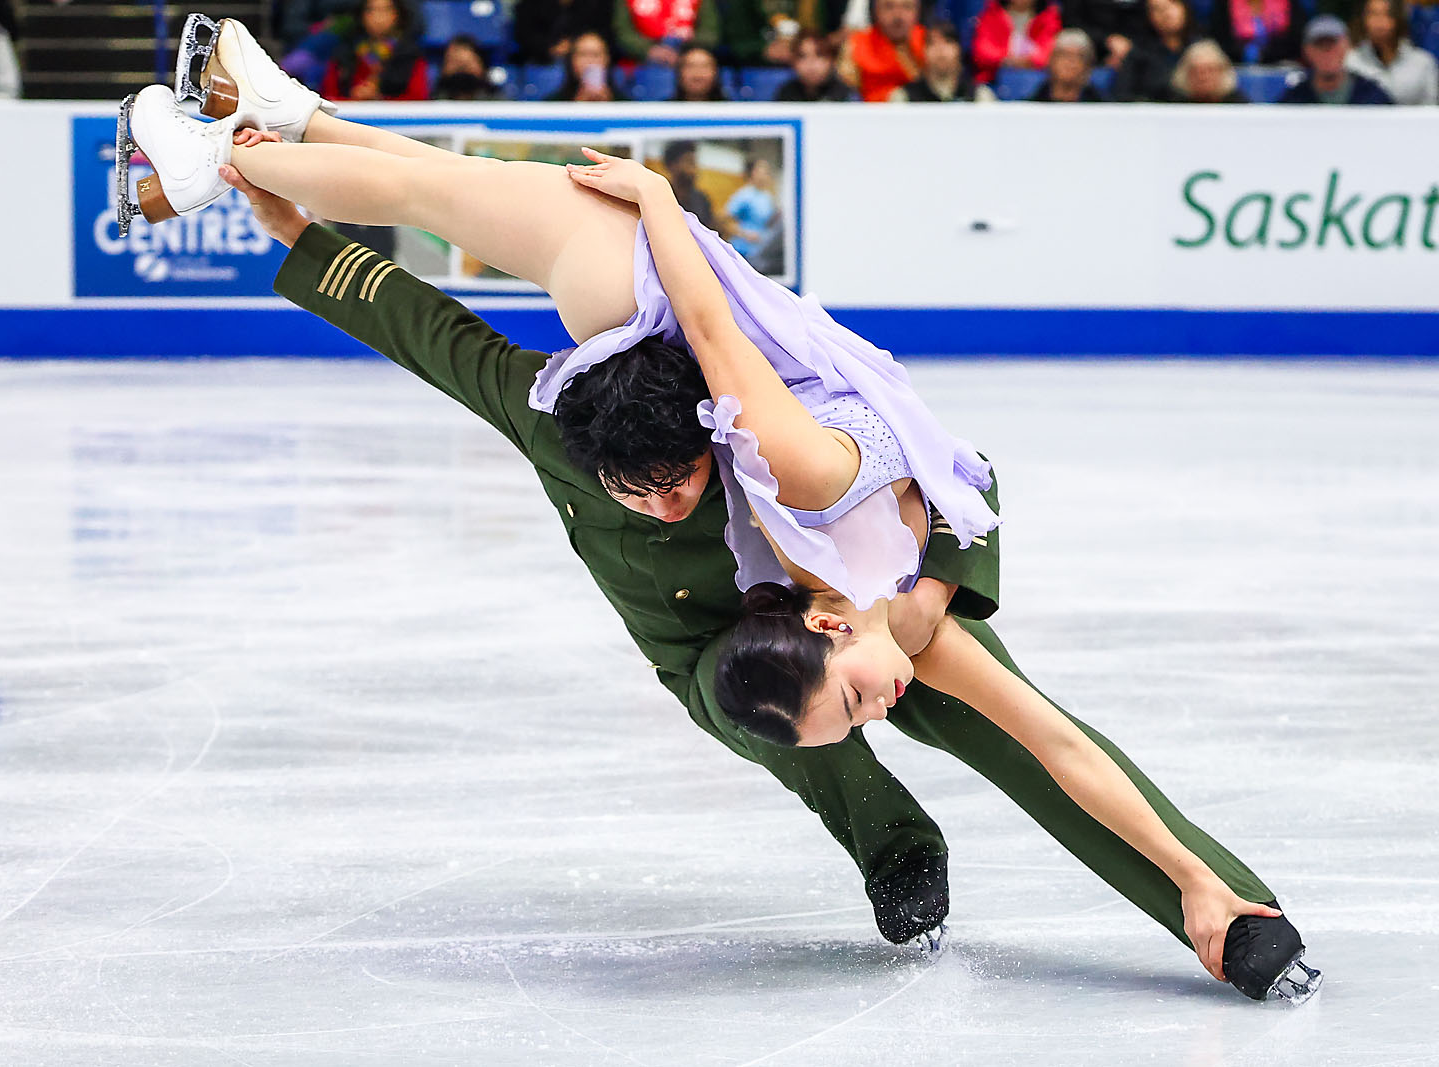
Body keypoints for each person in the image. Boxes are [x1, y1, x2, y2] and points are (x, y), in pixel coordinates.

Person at [116, 18, 1325, 1003]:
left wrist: (931, 592)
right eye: (629, 487)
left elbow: (949, 470)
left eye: (673, 475)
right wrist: (294, 235)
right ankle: (890, 839)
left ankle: (1220, 906)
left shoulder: (765, 457)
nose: (658, 497)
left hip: (868, 589)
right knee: (760, 712)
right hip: (710, 637)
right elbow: (430, 329)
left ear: (704, 434)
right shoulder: (559, 424)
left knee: (1006, 725)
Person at [320, 0, 427, 101]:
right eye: (371, 10)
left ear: (398, 14)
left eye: (386, 10)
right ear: (361, 14)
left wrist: (378, 98)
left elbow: (418, 99)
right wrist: (355, 99)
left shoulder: (410, 54)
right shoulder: (345, 52)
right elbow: (329, 96)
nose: (378, 17)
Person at [1279, 13, 1394, 103]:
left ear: (1347, 46)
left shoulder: (1371, 94)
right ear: (1307, 51)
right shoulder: (1295, 98)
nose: (1327, 53)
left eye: (1332, 45)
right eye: (1320, 45)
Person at [1347, 0, 1438, 104]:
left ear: (1398, 19)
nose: (1379, 22)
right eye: (1374, 14)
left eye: (1387, 14)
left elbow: (1431, 110)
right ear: (1364, 19)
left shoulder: (1423, 63)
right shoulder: (1351, 62)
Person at [840, 0, 926, 101]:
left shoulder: (929, 41)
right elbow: (845, 92)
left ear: (918, 11)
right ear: (875, 11)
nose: (898, 15)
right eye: (889, 7)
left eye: (907, 7)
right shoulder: (856, 44)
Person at [1114, 0, 1196, 100]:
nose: (1166, 13)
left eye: (1172, 4)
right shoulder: (1139, 54)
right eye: (1157, 9)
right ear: (1149, 16)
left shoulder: (1202, 47)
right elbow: (1123, 94)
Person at [905, 18, 998, 100]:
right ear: (924, 50)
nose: (940, 49)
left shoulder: (980, 96)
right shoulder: (905, 97)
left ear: (958, 49)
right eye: (932, 43)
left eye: (948, 42)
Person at [971, 0, 1061, 84]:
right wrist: (1006, 60)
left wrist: (1030, 61)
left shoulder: (1048, 18)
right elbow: (982, 51)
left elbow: (1050, 51)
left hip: (1040, 80)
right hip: (993, 79)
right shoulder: (991, 15)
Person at [613, 0, 721, 65]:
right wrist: (648, 50)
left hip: (688, 55)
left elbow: (710, 34)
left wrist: (685, 50)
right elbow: (622, 32)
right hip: (641, 60)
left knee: (699, 65)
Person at [511, 0, 612, 64]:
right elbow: (524, 34)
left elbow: (603, 31)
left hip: (584, 57)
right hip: (540, 60)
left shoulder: (598, 4)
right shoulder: (530, 4)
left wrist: (574, 45)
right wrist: (551, 48)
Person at [1210, 0, 1306, 65]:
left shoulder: (1288, 3)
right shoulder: (1225, 3)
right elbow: (1218, 40)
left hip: (1281, 63)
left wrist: (1265, 54)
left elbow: (1297, 39)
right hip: (1235, 64)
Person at [1061, 0, 1147, 70]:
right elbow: (1072, 22)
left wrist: (1127, 49)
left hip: (1134, 50)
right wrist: (1107, 40)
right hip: (1092, 51)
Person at [546, 29, 628, 100]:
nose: (589, 61)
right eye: (583, 54)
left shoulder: (628, 107)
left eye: (595, 54)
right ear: (571, 60)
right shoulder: (552, 105)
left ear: (607, 59)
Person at [774, 29, 853, 101]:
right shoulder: (786, 93)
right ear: (792, 61)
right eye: (802, 56)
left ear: (832, 60)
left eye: (819, 55)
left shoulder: (845, 95)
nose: (811, 64)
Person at [1028, 26, 1104, 99]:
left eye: (1078, 56)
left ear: (1087, 64)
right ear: (1052, 60)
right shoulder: (1032, 104)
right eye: (1064, 55)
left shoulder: (1101, 105)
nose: (1070, 63)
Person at [660, 140, 719, 231]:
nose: (694, 169)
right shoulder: (660, 196)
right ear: (672, 165)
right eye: (689, 162)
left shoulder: (702, 200)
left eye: (695, 163)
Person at [1168, 37, 1249, 100]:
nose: (1203, 77)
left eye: (1210, 70)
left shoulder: (1238, 106)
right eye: (1196, 71)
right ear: (1186, 74)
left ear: (1222, 72)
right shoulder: (1174, 106)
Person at [432, 34, 499, 101]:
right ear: (443, 67)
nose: (461, 72)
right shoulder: (432, 105)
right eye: (455, 63)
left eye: (466, 65)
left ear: (482, 66)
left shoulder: (499, 105)